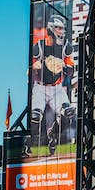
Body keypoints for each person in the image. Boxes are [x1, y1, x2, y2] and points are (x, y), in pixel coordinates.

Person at [30, 14, 76, 155]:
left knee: (69, 113)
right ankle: (30, 144)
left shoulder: (65, 47)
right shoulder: (38, 46)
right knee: (35, 116)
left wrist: (64, 66)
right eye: (58, 28)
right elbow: (31, 68)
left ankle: (53, 135)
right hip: (40, 87)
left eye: (62, 29)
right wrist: (35, 67)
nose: (61, 31)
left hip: (57, 88)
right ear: (51, 28)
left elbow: (70, 70)